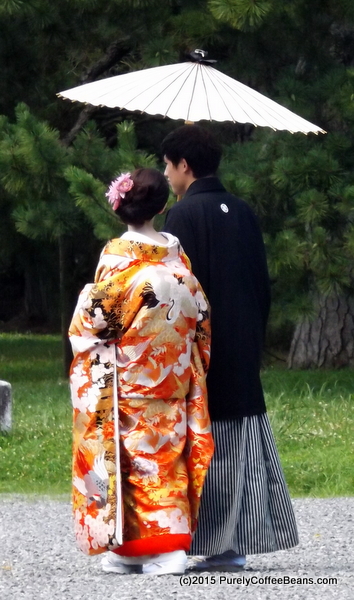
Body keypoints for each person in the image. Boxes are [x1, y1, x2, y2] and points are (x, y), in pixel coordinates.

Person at [162, 125, 299, 572]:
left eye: (168, 164)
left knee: (208, 442)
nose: (165, 174)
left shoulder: (182, 218)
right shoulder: (241, 210)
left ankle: (218, 544)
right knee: (239, 439)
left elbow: (177, 291)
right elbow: (261, 281)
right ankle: (237, 540)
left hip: (205, 346)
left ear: (185, 166)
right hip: (243, 339)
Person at [68, 167, 214, 576]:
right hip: (174, 381)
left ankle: (143, 549)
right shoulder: (180, 266)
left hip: (127, 382)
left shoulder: (119, 265)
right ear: (164, 206)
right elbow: (202, 322)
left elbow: (90, 325)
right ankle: (151, 549)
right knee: (167, 459)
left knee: (129, 462)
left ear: (119, 209)